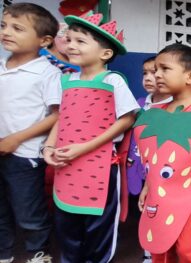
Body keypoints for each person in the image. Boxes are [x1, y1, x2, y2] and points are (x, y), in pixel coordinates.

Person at [42, 11, 139, 263]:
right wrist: (49, 146)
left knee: (99, 229)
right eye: (69, 39)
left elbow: (127, 118)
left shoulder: (113, 80)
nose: (71, 45)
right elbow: (61, 117)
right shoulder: (65, 80)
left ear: (105, 54)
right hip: (66, 165)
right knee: (66, 226)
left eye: (81, 41)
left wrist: (85, 147)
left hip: (101, 165)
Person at [137, 43, 191, 263]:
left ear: (190, 76)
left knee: (187, 248)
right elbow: (153, 157)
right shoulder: (156, 112)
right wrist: (148, 186)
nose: (157, 75)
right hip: (159, 190)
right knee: (159, 246)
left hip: (189, 191)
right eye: (155, 69)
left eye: (164, 69)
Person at [0, 3, 60, 263]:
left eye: (17, 28)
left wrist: (16, 139)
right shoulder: (1, 67)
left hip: (23, 155)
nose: (6, 32)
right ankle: (3, 253)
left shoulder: (47, 73)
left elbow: (57, 114)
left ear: (44, 40)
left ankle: (39, 252)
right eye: (4, 26)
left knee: (29, 211)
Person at [138, 56, 172, 263]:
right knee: (148, 210)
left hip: (166, 172)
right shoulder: (143, 105)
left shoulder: (173, 106)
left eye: (156, 72)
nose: (151, 77)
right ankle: (149, 252)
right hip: (146, 170)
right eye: (146, 73)